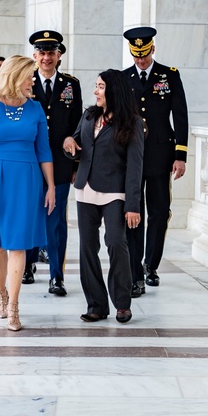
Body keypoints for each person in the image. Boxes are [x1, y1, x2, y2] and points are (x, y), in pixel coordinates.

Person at [0, 55, 55, 331]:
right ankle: (1, 293)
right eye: (29, 75)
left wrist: (51, 186)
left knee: (18, 244)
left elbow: (44, 151)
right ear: (16, 77)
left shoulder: (36, 109)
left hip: (26, 181)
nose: (33, 80)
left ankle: (15, 305)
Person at [63, 69, 144, 324]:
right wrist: (69, 143)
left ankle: (122, 303)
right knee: (87, 248)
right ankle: (96, 304)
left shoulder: (132, 123)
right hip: (85, 189)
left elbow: (135, 167)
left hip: (115, 193)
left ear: (113, 90)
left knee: (115, 243)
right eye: (96, 86)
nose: (95, 91)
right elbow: (77, 144)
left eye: (100, 87)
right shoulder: (89, 116)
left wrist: (133, 205)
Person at [121, 26, 189, 296]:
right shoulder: (124, 79)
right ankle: (135, 266)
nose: (141, 60)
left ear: (152, 49)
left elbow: (180, 115)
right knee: (134, 214)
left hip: (161, 155)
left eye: (145, 54)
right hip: (133, 157)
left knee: (160, 212)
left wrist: (180, 155)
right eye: (137, 56)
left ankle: (151, 264)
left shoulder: (169, 76)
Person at [22, 31, 81, 295]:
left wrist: (75, 155)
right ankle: (26, 264)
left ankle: (57, 275)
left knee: (56, 220)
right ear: (34, 56)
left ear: (59, 56)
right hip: (29, 163)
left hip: (60, 164)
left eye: (51, 53)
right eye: (42, 53)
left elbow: (79, 124)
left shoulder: (71, 85)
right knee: (29, 215)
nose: (47, 58)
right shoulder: (24, 82)